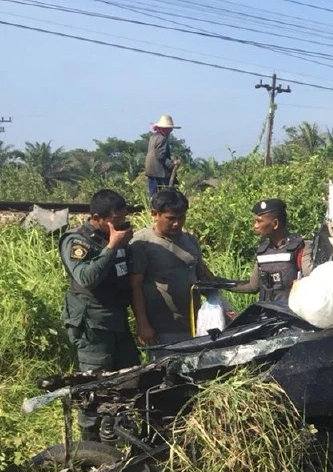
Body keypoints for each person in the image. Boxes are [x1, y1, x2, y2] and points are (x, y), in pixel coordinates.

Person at [59, 190, 140, 440]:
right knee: (95, 385)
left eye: (123, 218)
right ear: (96, 218)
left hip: (117, 320)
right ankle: (90, 447)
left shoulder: (116, 237)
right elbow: (86, 277)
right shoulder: (78, 241)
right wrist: (112, 246)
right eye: (116, 219)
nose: (121, 224)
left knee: (129, 378)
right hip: (92, 325)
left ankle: (116, 435)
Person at [129, 188, 217, 345]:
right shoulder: (142, 243)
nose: (177, 224)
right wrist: (143, 325)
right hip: (162, 328)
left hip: (194, 324)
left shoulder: (190, 240)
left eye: (181, 218)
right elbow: (135, 286)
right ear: (155, 214)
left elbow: (202, 276)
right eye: (170, 218)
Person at [229, 198, 310, 303]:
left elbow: (313, 283)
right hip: (267, 311)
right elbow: (253, 286)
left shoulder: (302, 247)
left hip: (292, 311)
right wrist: (217, 282)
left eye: (259, 221)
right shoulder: (262, 251)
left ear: (275, 223)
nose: (255, 226)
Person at [145, 114, 180, 197]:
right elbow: (160, 156)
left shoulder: (153, 137)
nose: (171, 130)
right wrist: (172, 164)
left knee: (153, 195)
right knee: (164, 195)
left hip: (151, 171)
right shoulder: (162, 138)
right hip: (159, 172)